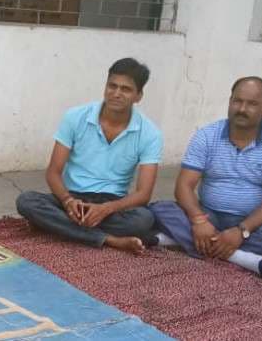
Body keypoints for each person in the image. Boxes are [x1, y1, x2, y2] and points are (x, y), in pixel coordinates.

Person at [150, 77, 262, 277]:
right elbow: (184, 185)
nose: (242, 108)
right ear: (230, 101)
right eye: (237, 101)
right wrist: (199, 220)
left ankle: (187, 242)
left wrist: (241, 231)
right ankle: (236, 256)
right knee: (160, 209)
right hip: (208, 215)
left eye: (252, 104)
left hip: (251, 224)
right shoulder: (207, 136)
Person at [16, 58, 162, 253]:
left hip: (112, 204)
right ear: (105, 87)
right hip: (72, 200)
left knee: (143, 220)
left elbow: (144, 194)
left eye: (126, 89)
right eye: (112, 86)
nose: (116, 93)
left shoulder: (150, 133)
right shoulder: (75, 117)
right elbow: (53, 172)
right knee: (27, 201)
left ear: (138, 96)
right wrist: (68, 201)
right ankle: (110, 240)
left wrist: (106, 209)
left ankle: (55, 226)